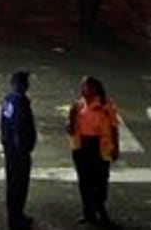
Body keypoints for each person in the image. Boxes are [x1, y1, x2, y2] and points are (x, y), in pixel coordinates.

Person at [67, 76, 119, 226]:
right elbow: (70, 129)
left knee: (100, 181)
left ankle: (100, 209)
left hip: (100, 147)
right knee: (85, 181)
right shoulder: (77, 106)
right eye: (83, 87)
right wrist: (70, 119)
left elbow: (114, 128)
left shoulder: (106, 106)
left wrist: (115, 148)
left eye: (87, 87)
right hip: (81, 147)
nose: (84, 90)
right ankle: (88, 212)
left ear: (95, 88)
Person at [0, 71, 37, 230]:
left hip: (10, 150)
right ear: (20, 84)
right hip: (18, 152)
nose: (28, 85)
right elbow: (19, 127)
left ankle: (14, 216)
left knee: (12, 184)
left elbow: (3, 124)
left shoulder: (8, 100)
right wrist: (23, 148)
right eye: (26, 82)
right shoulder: (21, 102)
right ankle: (17, 219)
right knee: (19, 185)